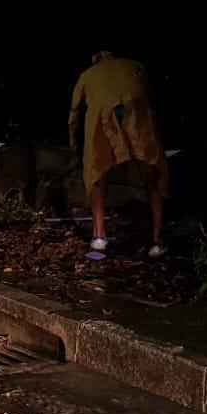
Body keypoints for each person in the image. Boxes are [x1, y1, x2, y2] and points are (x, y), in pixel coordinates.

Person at [68, 51, 169, 258]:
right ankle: (157, 241)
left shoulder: (87, 74)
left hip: (102, 122)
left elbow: (74, 113)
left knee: (96, 173)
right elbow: (151, 95)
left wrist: (73, 143)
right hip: (137, 116)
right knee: (152, 173)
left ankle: (99, 237)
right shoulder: (135, 65)